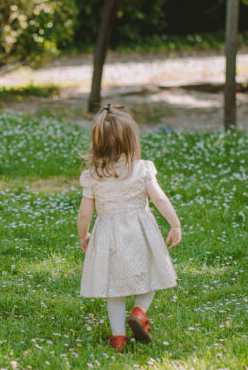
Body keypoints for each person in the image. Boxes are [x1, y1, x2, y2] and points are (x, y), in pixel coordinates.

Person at [78, 105, 181, 351]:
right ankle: (139, 312)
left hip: (107, 235)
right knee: (151, 277)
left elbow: (84, 212)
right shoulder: (142, 169)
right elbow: (159, 199)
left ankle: (118, 339)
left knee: (113, 288)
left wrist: (84, 235)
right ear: (131, 140)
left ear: (97, 143)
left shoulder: (93, 175)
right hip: (140, 233)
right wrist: (175, 223)